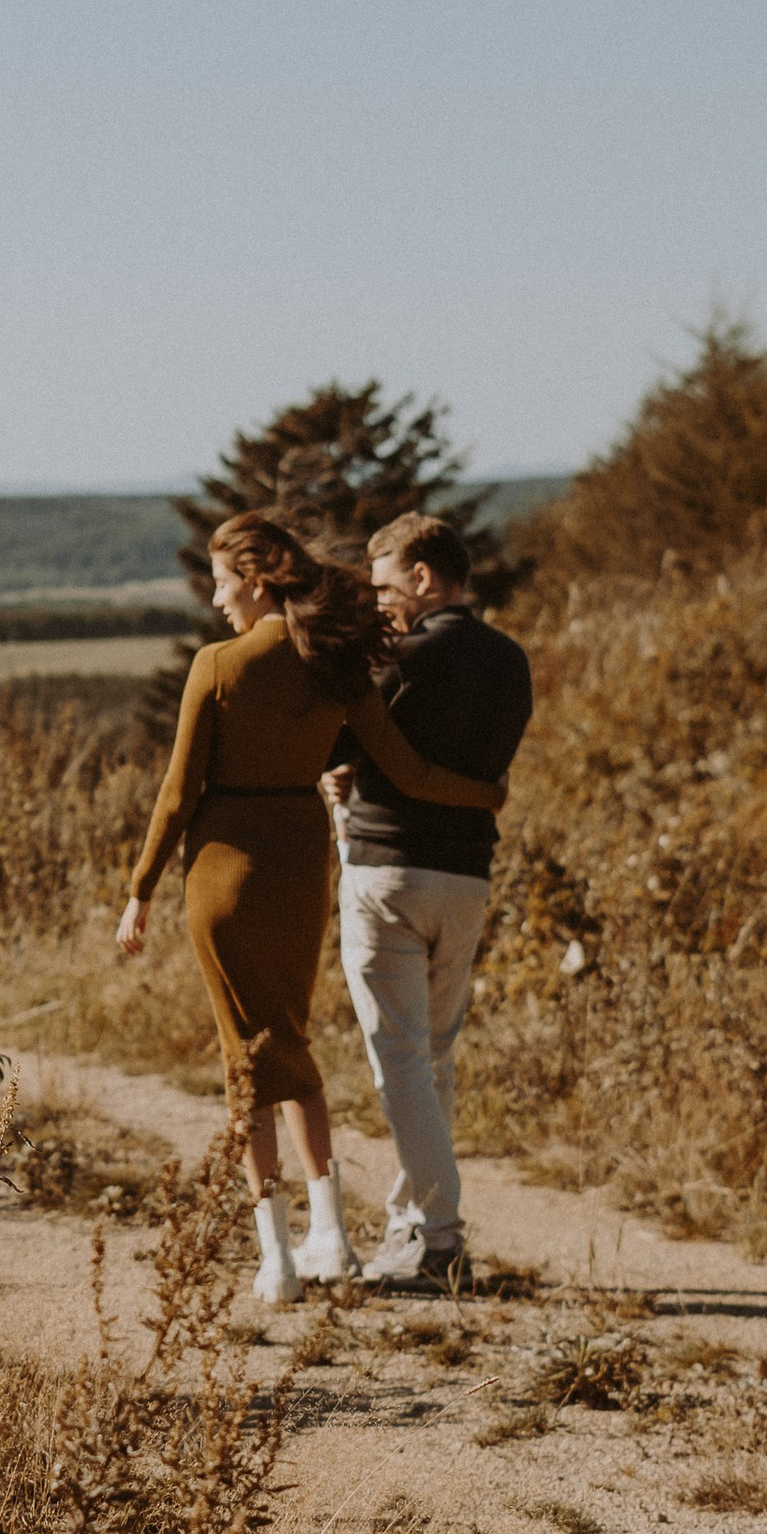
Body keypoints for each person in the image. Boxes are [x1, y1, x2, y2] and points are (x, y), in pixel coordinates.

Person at [116, 512, 505, 1311]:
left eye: (223, 583)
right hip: (302, 863)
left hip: (224, 870)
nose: (218, 600)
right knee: (289, 1038)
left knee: (245, 1057)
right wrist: (484, 794)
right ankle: (329, 1230)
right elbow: (404, 766)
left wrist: (140, 888)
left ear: (258, 582)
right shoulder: (335, 669)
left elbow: (177, 793)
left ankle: (278, 1259)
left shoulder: (217, 666)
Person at [323, 508, 535, 1291]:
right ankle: (412, 1223)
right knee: (435, 1057)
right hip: (467, 876)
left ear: (422, 576)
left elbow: (346, 745)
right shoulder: (512, 661)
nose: (379, 603)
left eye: (385, 586)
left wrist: (339, 780)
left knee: (400, 1062)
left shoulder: (400, 657)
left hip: (386, 869)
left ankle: (440, 1236)